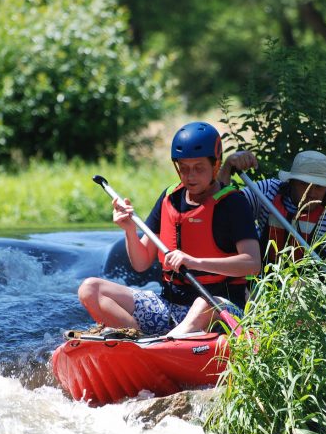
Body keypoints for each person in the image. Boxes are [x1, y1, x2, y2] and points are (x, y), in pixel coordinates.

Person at [78, 122, 261, 337]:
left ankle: (166, 343)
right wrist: (128, 229)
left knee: (202, 304)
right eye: (183, 168)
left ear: (215, 165)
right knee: (90, 289)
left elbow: (252, 264)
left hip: (219, 307)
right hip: (170, 307)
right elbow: (141, 262)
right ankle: (136, 341)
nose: (190, 175)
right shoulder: (170, 198)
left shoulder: (233, 203)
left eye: (198, 168)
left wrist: (193, 262)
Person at [217, 149, 326, 285]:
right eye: (304, 184)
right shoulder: (267, 192)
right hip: (263, 289)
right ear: (291, 182)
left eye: (318, 187)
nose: (311, 193)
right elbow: (221, 209)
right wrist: (227, 167)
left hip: (316, 298)